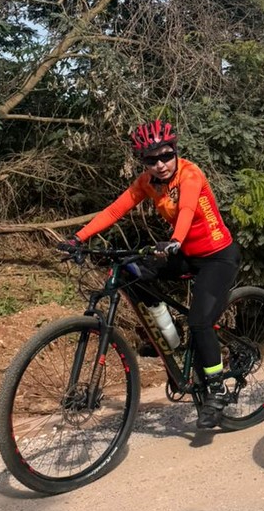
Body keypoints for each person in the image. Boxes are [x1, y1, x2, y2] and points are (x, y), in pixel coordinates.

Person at [59, 119, 239, 430]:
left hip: (217, 257)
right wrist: (78, 238)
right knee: (132, 271)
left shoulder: (190, 174)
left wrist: (175, 240)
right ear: (143, 161)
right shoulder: (147, 182)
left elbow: (186, 210)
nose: (160, 165)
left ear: (175, 151)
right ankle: (168, 333)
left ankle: (217, 388)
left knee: (200, 321)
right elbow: (115, 210)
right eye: (151, 160)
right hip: (184, 253)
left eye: (166, 156)